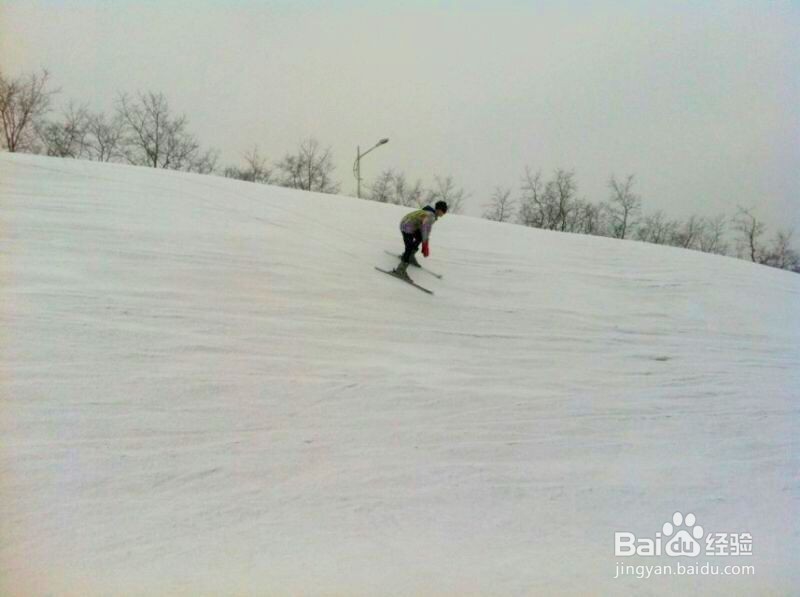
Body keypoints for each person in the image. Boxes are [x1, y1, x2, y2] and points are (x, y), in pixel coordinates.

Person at [393, 200, 448, 279]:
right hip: (407, 227)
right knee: (409, 247)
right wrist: (425, 246)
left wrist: (424, 242)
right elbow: (425, 231)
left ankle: (410, 256)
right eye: (444, 211)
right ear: (439, 210)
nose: (444, 214)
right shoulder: (431, 216)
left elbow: (423, 229)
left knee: (419, 239)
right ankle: (400, 269)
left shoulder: (428, 211)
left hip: (408, 224)